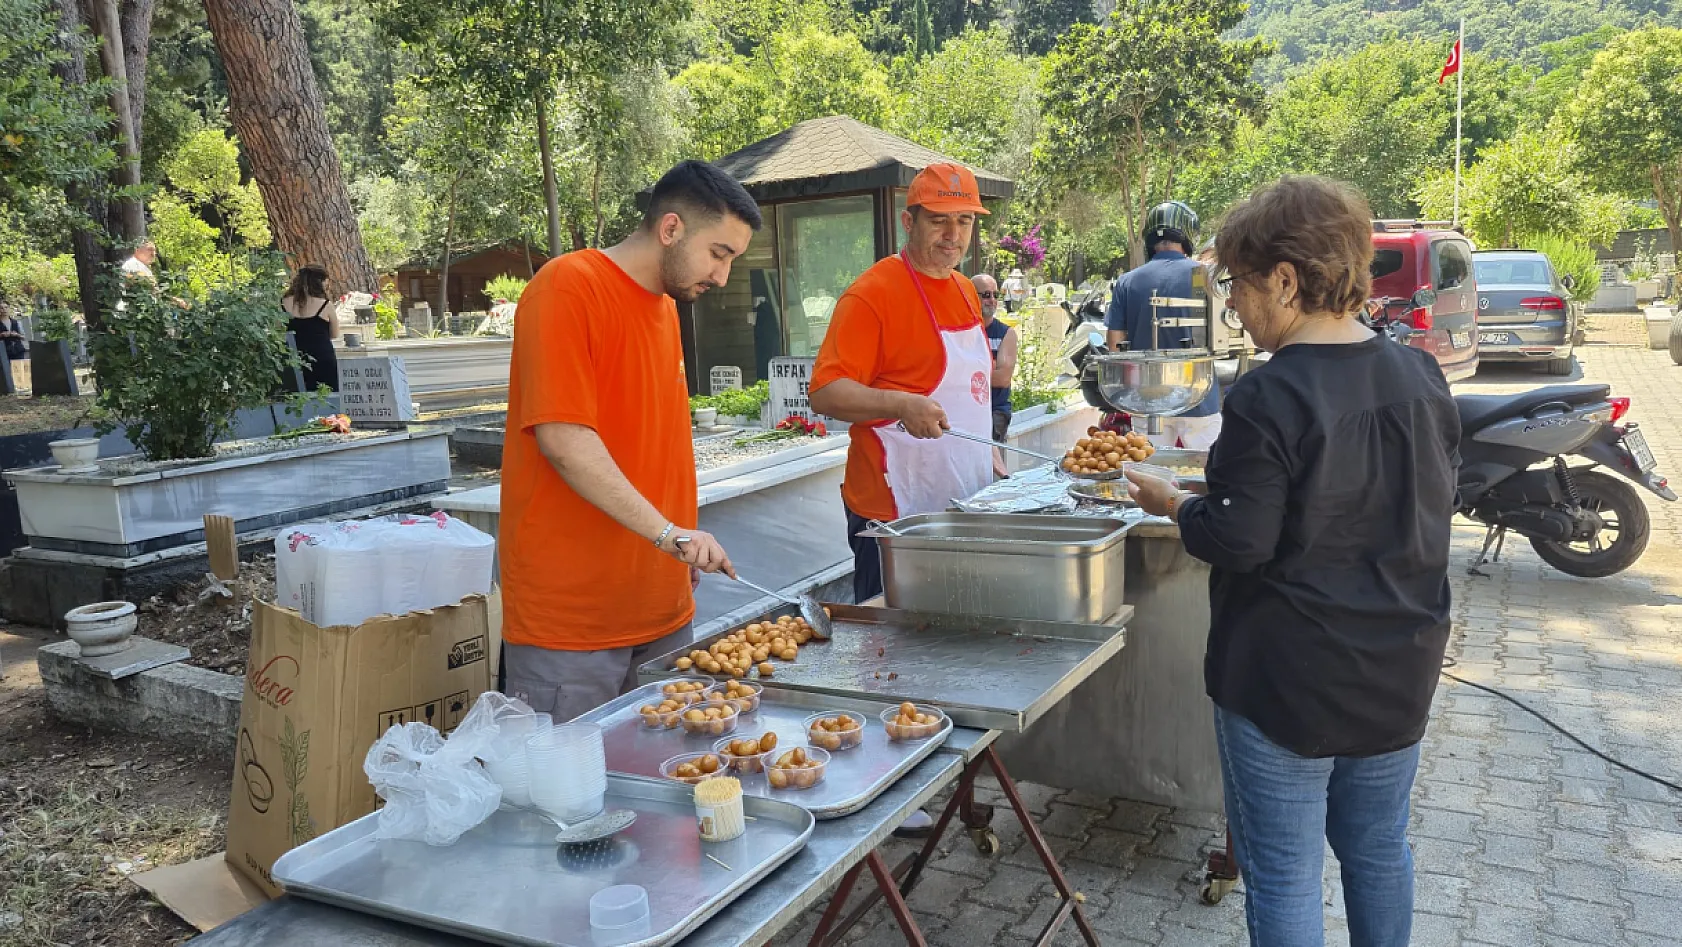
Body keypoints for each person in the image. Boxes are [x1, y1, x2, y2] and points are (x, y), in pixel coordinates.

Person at [1125, 176, 1460, 947]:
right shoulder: (1420, 374)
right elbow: (1417, 494)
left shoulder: (1268, 393)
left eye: (1238, 283)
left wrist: (1176, 504)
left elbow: (1240, 539)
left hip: (1288, 683)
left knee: (1283, 873)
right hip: (1397, 669)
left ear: (1285, 279)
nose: (1234, 303)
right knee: (1378, 849)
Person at [500, 160, 757, 722]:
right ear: (670, 229)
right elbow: (564, 440)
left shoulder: (665, 307)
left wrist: (675, 544)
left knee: (665, 791)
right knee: (568, 800)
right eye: (719, 253)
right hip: (574, 625)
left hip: (663, 607)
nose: (723, 277)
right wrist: (667, 532)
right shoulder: (569, 286)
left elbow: (649, 440)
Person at [809, 163, 992, 605]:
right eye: (938, 219)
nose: (953, 233)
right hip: (893, 512)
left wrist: (988, 449)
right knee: (891, 654)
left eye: (964, 220)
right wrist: (901, 405)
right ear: (908, 222)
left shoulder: (966, 289)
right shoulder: (872, 295)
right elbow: (825, 392)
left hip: (964, 497)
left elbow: (971, 387)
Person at [1105, 201, 1222, 449]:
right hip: (1199, 395)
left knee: (1149, 472)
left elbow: (1114, 345)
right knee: (1206, 473)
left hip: (1145, 398)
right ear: (1188, 234)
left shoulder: (1126, 282)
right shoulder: (1208, 276)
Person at [973, 273, 1017, 478]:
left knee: (983, 458)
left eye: (995, 294)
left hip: (994, 411)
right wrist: (987, 366)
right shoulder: (962, 331)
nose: (992, 300)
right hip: (965, 410)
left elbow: (1002, 379)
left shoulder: (1006, 333)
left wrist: (967, 370)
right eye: (986, 295)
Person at [281, 264, 341, 392]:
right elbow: (335, 333)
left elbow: (279, 331)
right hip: (323, 357)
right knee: (328, 398)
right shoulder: (325, 305)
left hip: (295, 358)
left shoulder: (284, 302)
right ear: (320, 282)